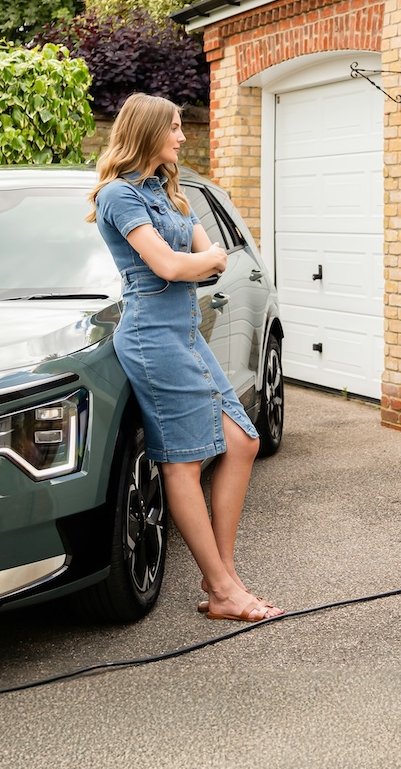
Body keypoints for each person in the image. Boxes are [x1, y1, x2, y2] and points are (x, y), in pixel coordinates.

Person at [88, 93, 284, 623]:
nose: (181, 136)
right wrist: (198, 260)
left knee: (242, 441)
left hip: (186, 330)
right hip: (153, 335)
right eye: (174, 128)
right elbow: (172, 265)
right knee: (183, 459)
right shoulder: (118, 196)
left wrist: (199, 260)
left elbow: (210, 258)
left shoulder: (170, 196)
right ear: (148, 131)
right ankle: (223, 589)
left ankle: (222, 575)